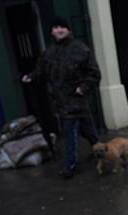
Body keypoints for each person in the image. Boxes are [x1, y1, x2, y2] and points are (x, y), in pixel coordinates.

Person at [22, 17, 101, 178]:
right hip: (60, 100)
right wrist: (31, 77)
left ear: (68, 30)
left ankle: (70, 166)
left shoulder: (80, 49)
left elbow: (94, 74)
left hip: (76, 99)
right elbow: (41, 70)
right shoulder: (49, 52)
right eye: (56, 27)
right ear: (51, 31)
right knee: (88, 130)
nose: (59, 30)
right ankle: (100, 150)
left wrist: (83, 88)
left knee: (69, 132)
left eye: (62, 27)